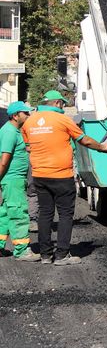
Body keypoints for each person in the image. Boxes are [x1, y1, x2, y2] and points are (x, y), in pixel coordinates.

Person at [21, 90, 107, 266]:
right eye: (63, 104)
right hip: (61, 175)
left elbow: (28, 147)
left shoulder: (29, 121)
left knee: (45, 214)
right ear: (57, 103)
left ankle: (45, 255)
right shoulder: (63, 120)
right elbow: (84, 140)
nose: (63, 107)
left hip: (39, 175)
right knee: (65, 214)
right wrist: (103, 147)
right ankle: (62, 255)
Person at [0, 102, 37, 261]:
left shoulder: (13, 130)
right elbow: (4, 159)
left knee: (5, 214)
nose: (28, 116)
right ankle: (22, 251)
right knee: (19, 213)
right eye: (26, 113)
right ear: (16, 116)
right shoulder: (9, 131)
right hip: (13, 180)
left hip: (13, 180)